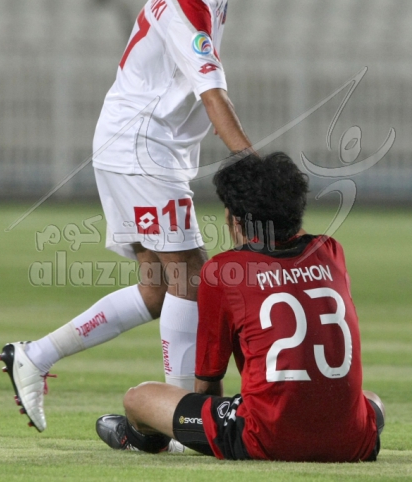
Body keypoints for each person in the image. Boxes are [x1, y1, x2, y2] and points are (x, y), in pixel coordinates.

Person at [0, 0, 254, 434]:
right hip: (142, 146)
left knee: (158, 289)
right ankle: (186, 426)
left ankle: (35, 355)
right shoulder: (189, 5)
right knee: (192, 275)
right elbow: (212, 95)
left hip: (134, 141)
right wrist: (253, 165)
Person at [96, 151, 385, 462]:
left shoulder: (223, 271)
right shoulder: (331, 250)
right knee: (372, 400)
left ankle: (139, 436)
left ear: (234, 219)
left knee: (139, 398)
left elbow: (207, 385)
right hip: (354, 441)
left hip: (267, 438)